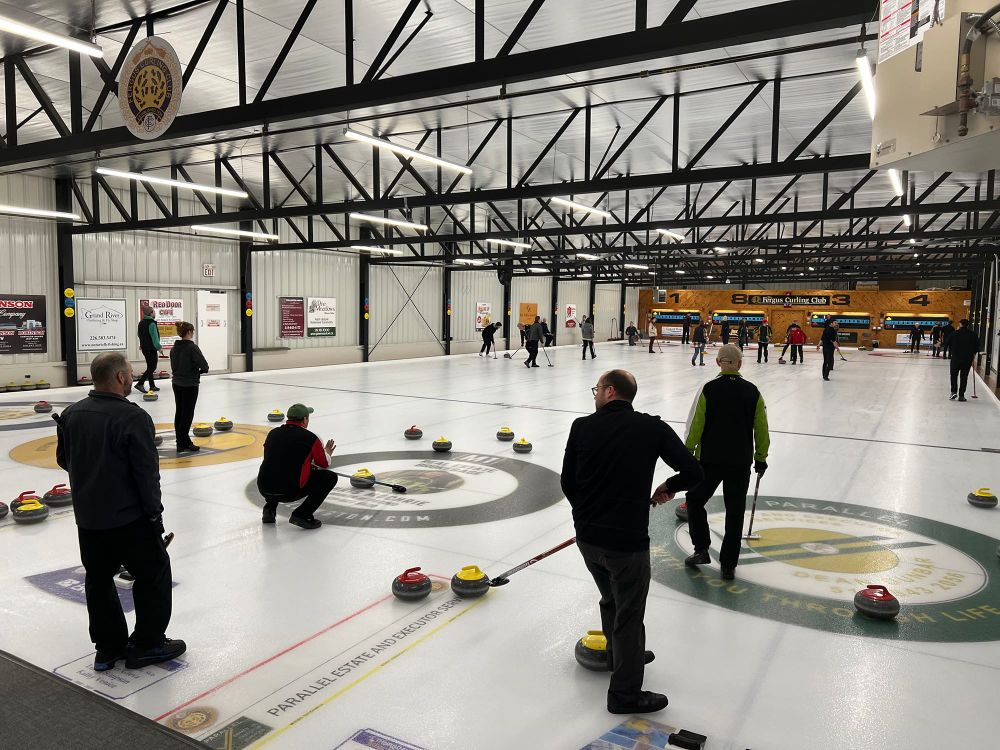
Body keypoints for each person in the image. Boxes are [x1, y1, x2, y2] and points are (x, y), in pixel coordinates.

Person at [561, 369, 703, 715]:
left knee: (611, 600)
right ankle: (624, 694)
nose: (594, 394)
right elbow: (695, 472)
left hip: (588, 539)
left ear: (610, 391)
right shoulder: (652, 428)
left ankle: (619, 657)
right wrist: (669, 486)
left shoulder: (582, 427)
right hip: (627, 543)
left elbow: (568, 482)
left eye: (596, 389)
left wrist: (588, 514)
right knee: (628, 614)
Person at [55, 352, 185, 672]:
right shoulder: (132, 417)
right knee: (153, 574)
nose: (132, 376)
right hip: (129, 518)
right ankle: (147, 644)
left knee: (98, 581)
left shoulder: (72, 414)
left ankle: (108, 648)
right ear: (119, 378)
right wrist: (154, 516)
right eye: (129, 372)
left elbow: (63, 460)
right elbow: (145, 474)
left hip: (88, 519)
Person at [683, 345, 770, 581]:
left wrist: (687, 453)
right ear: (740, 364)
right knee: (735, 512)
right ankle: (729, 565)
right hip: (739, 463)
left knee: (695, 500)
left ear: (718, 362)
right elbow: (761, 429)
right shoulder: (753, 392)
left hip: (709, 461)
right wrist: (760, 458)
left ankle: (701, 548)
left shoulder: (708, 389)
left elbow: (695, 425)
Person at [256, 403, 337, 529]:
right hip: (289, 491)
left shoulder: (273, 433)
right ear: (305, 419)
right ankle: (302, 514)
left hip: (264, 488)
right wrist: (326, 452)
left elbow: (271, 458)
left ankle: (269, 510)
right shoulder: (311, 438)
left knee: (275, 468)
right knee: (330, 477)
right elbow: (324, 464)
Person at [169, 321, 210, 454]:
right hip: (189, 384)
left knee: (179, 412)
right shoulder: (192, 348)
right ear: (189, 332)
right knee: (187, 413)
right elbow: (204, 366)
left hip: (176, 383)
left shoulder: (174, 348)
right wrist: (197, 371)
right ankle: (183, 442)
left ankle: (181, 440)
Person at [948, 319, 980, 402]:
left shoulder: (954, 333)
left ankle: (953, 392)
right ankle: (961, 395)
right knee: (964, 377)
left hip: (955, 358)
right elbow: (977, 347)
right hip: (967, 359)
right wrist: (973, 353)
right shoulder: (973, 334)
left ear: (960, 324)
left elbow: (946, 342)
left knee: (954, 375)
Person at [135, 306, 162, 394]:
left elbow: (139, 335)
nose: (155, 313)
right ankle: (140, 383)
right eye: (154, 312)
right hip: (151, 349)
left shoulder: (141, 323)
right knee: (152, 367)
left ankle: (152, 386)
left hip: (144, 348)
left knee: (149, 366)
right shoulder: (151, 323)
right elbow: (155, 338)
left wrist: (142, 344)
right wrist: (159, 347)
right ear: (150, 313)